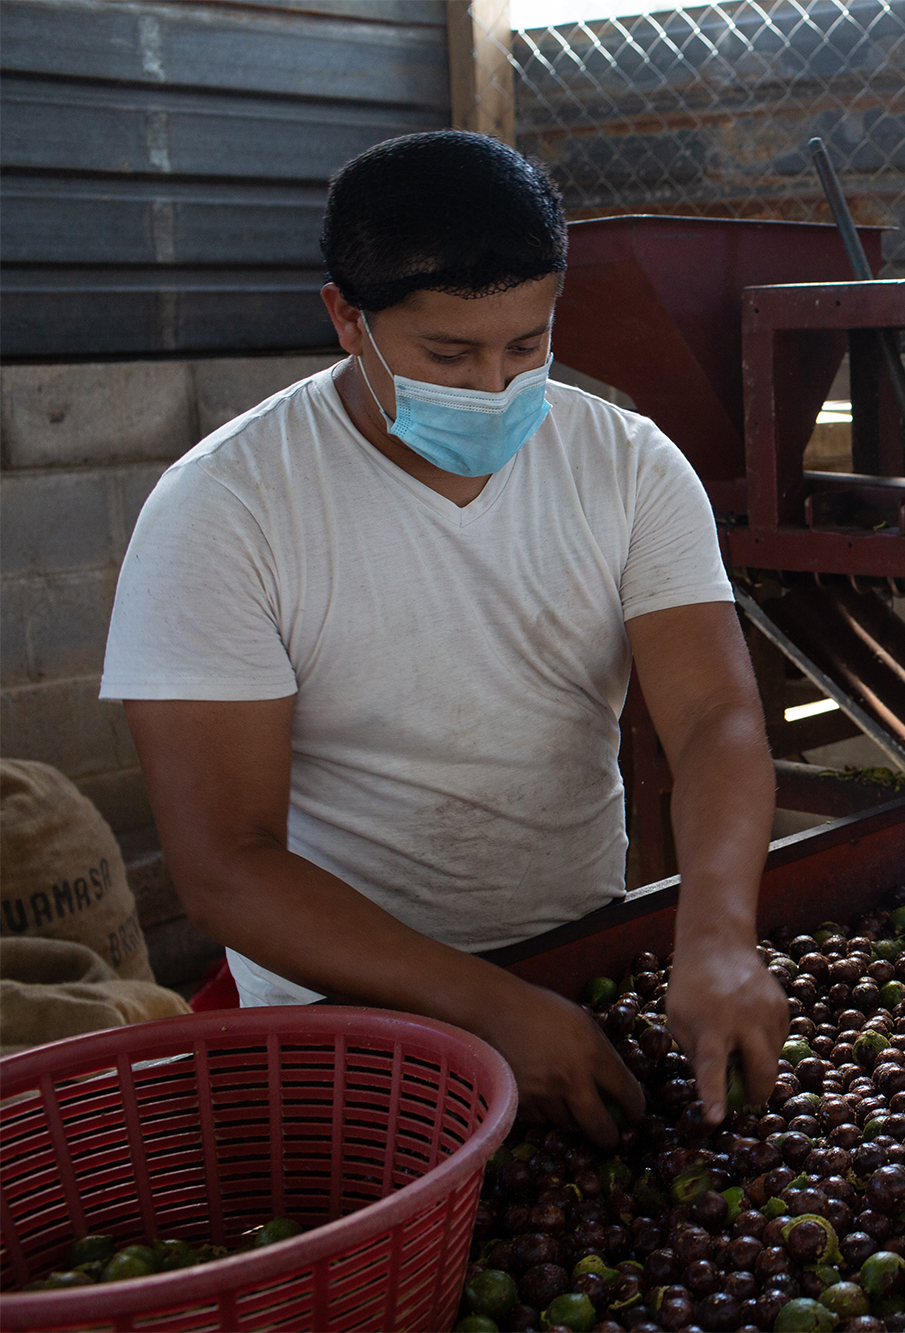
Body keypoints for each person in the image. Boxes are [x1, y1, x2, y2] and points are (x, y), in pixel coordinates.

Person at [100, 131, 786, 1145]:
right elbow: (225, 862)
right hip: (339, 1020)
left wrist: (718, 929)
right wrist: (489, 1008)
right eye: (448, 354)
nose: (494, 388)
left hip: (580, 964)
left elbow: (714, 716)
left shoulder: (627, 465)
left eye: (528, 345)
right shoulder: (225, 507)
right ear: (347, 317)